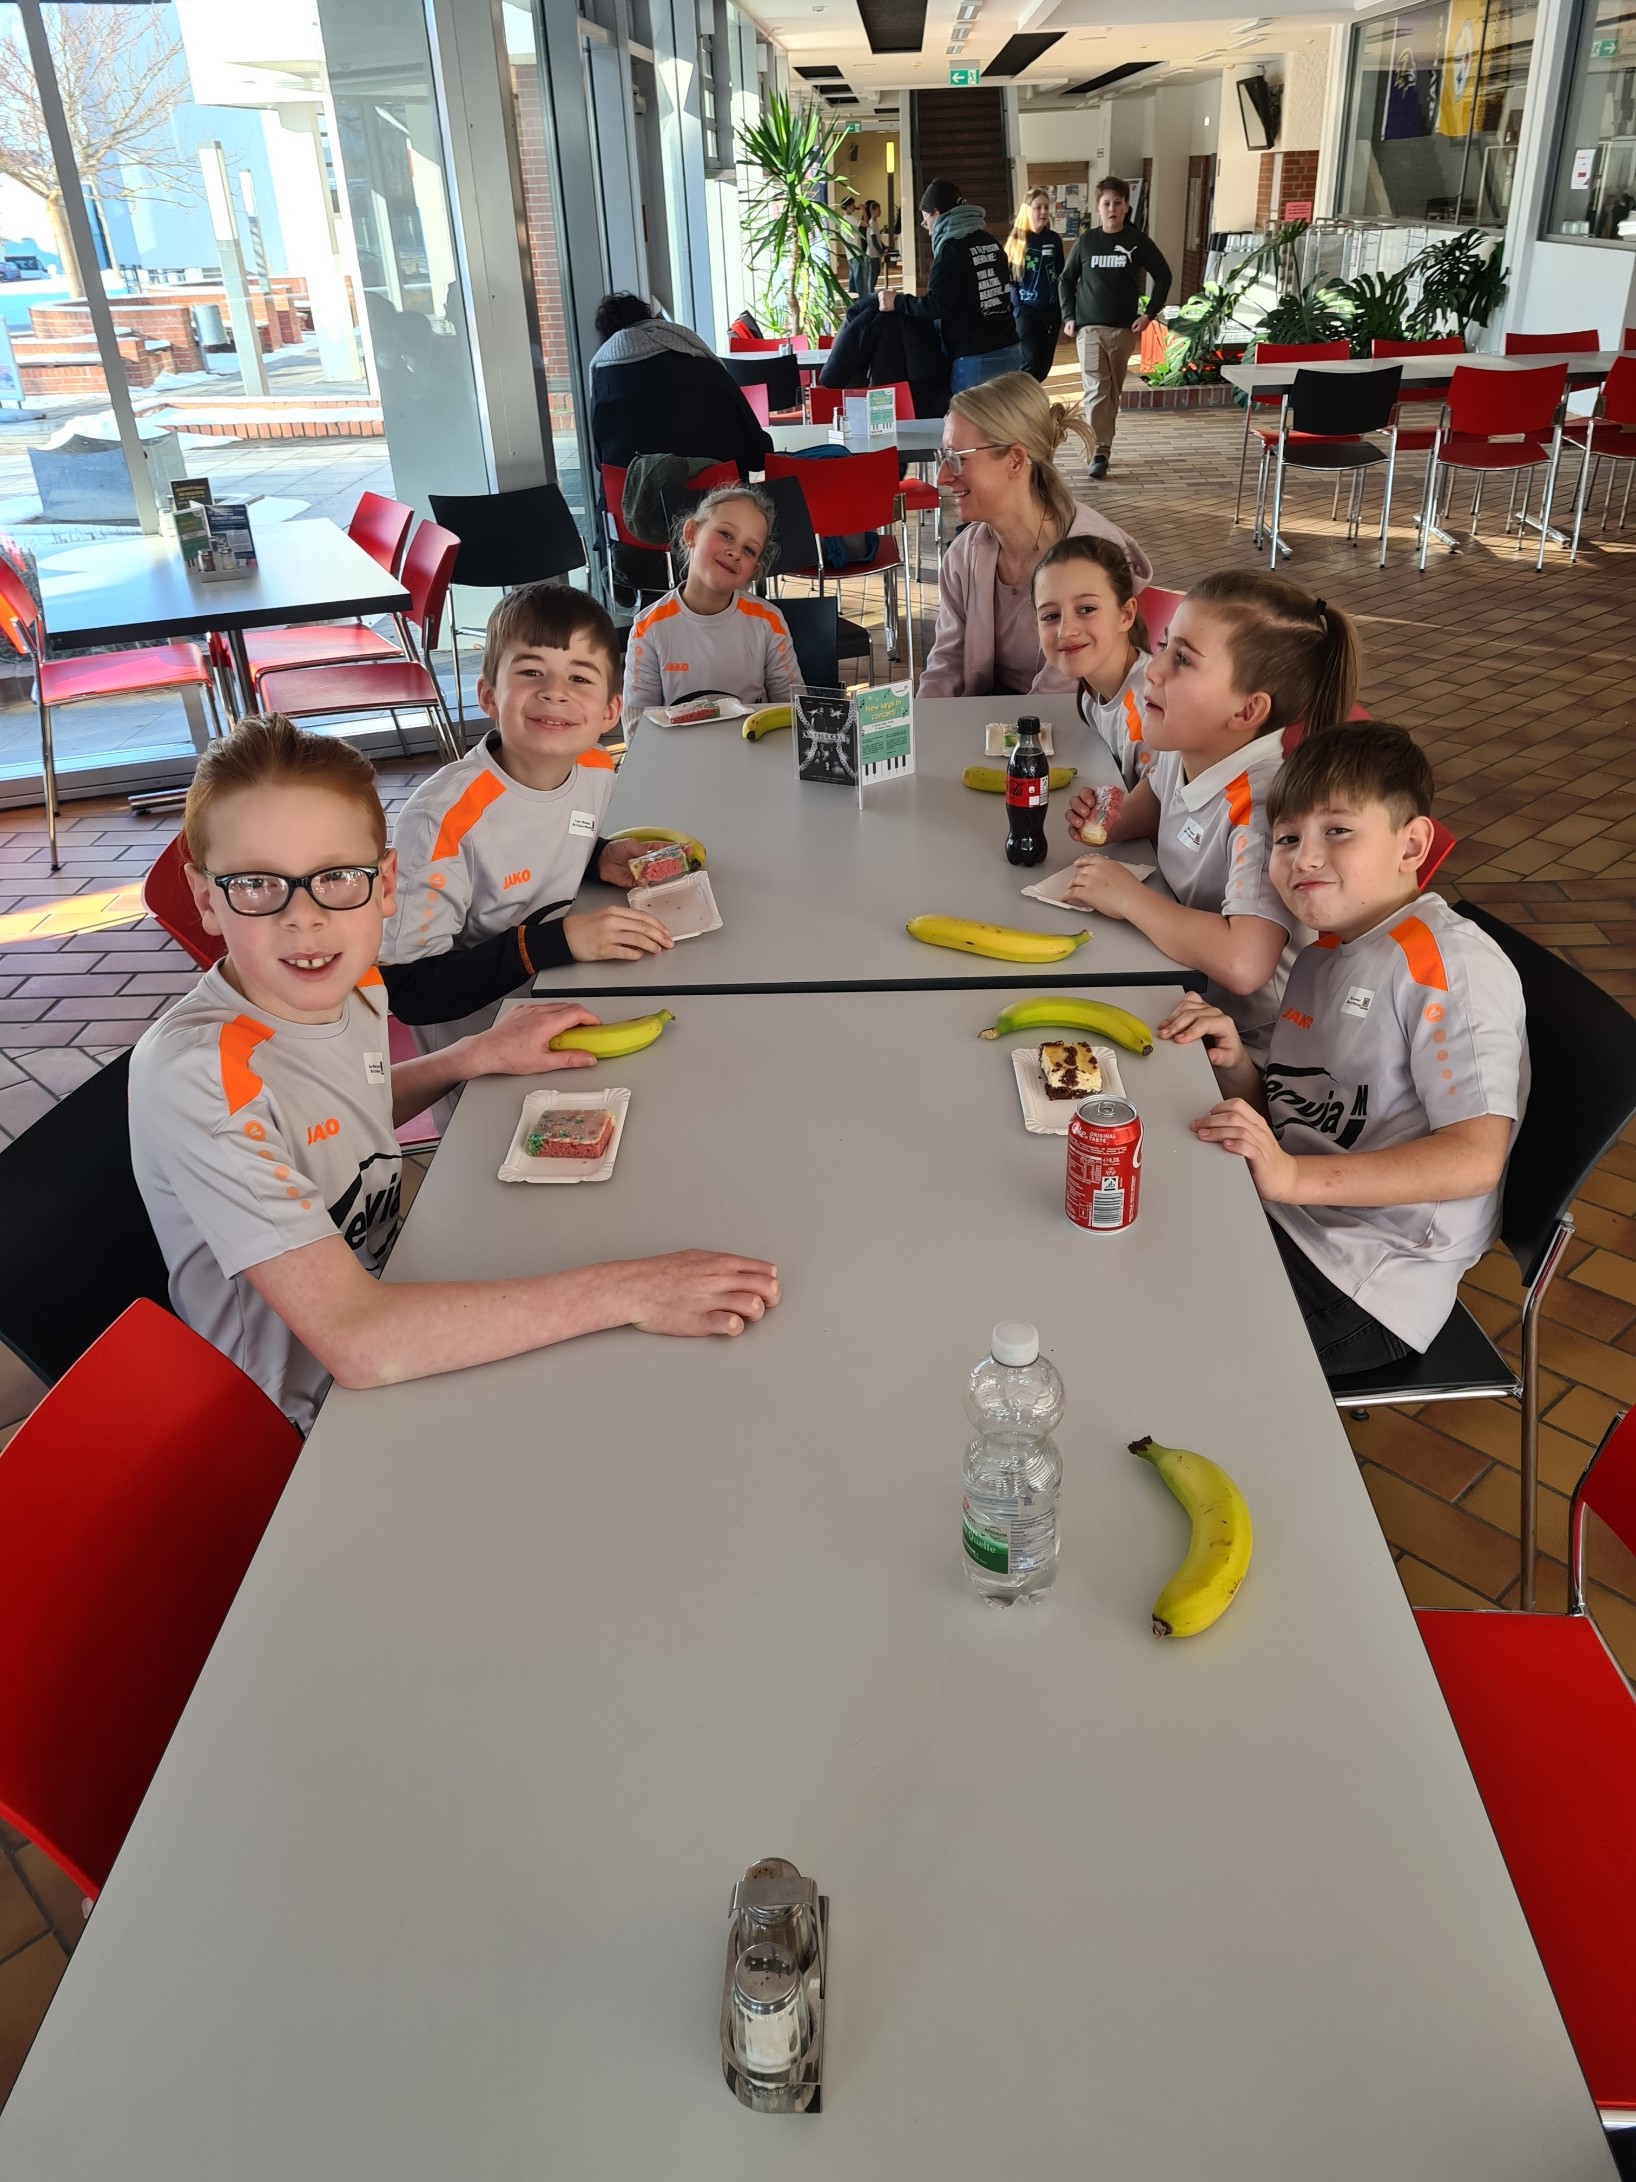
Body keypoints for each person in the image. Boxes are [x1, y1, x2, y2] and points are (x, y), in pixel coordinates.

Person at [128, 715, 779, 1434]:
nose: (304, 919)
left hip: (400, 1293)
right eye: (257, 884)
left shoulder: (350, 982)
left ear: (385, 884)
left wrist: (472, 1056)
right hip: (305, 1420)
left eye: (337, 877)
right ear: (206, 897)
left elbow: (337, 1118)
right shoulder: (201, 1077)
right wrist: (631, 1289)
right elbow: (357, 1341)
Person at [1159, 722, 1527, 1376]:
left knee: (1157, 1329)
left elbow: (1475, 1159)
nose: (1304, 859)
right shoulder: (1325, 952)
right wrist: (1236, 1064)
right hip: (1290, 1214)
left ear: (1411, 844)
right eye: (1287, 838)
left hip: (1367, 1281)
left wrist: (1292, 1178)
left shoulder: (1449, 966)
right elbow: (1304, 1117)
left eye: (1337, 831)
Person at [1061, 570, 1359, 1056]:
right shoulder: (1189, 745)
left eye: (1182, 659)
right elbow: (1160, 798)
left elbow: (1244, 963)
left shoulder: (1264, 814)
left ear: (1246, 712)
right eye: (1164, 646)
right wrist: (1111, 822)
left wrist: (1128, 899)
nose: (1153, 670)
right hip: (1179, 981)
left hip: (1244, 1044)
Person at [380, 585, 672, 1065]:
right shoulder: (439, 819)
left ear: (609, 711)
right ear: (489, 696)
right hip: (481, 1054)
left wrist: (598, 856)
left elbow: (544, 837)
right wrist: (559, 941)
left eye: (579, 677)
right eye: (532, 671)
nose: (555, 691)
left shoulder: (597, 767)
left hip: (574, 1000)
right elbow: (410, 991)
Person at [916, 371, 1153, 699]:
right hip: (1000, 719)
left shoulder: (1092, 555)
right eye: (943, 457)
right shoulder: (965, 554)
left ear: (1015, 460)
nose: (942, 477)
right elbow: (947, 664)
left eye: (957, 459)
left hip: (1080, 720)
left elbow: (1064, 695)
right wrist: (924, 722)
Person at [622, 484, 804, 716]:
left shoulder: (770, 622)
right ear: (691, 534)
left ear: (753, 571)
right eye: (726, 534)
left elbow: (793, 710)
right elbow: (637, 723)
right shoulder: (647, 628)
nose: (735, 552)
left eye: (749, 550)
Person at [1058, 175, 1172, 479]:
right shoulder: (1086, 242)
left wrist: (1149, 314)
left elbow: (1163, 275)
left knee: (1112, 394)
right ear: (1098, 208)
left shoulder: (1137, 241)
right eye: (1106, 203)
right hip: (1089, 329)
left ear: (1126, 207)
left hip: (1123, 331)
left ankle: (1103, 447)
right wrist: (1069, 317)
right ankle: (1098, 452)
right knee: (1096, 389)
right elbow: (1066, 280)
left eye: (1117, 203)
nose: (1112, 209)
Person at [587, 292, 771, 477]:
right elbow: (757, 452)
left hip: (635, 494)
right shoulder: (701, 362)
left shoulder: (603, 380)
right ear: (651, 322)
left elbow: (601, 462)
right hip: (718, 490)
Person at [878, 179, 1022, 393]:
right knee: (1008, 414)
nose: (928, 231)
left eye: (926, 222)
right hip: (1010, 349)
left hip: (974, 356)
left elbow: (936, 305)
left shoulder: (951, 250)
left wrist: (897, 301)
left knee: (971, 415)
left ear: (936, 214)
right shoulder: (990, 242)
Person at [1032, 532, 1153, 786]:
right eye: (1051, 616)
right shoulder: (1089, 694)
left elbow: (1166, 808)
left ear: (1126, 615)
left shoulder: (1150, 711)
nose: (1065, 631)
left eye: (1086, 609)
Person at [818, 291, 949, 418]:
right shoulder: (917, 316)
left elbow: (831, 377)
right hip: (928, 402)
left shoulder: (867, 317)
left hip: (883, 403)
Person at [1006, 189, 1065, 382]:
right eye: (1038, 207)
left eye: (1046, 207)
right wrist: (1018, 310)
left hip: (1051, 311)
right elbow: (1010, 280)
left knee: (1044, 366)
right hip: (1026, 312)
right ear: (1027, 210)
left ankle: (1034, 397)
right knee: (1029, 364)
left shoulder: (1053, 239)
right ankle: (1023, 398)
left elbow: (1061, 274)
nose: (1043, 212)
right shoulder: (1017, 240)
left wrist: (1062, 308)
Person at [860, 201, 884, 297]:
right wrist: (881, 251)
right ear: (873, 211)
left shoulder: (875, 223)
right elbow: (874, 240)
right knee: (872, 273)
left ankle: (871, 290)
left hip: (875, 253)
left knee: (876, 271)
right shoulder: (871, 223)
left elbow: (877, 239)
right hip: (871, 254)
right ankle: (870, 292)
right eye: (878, 210)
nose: (880, 212)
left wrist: (883, 247)